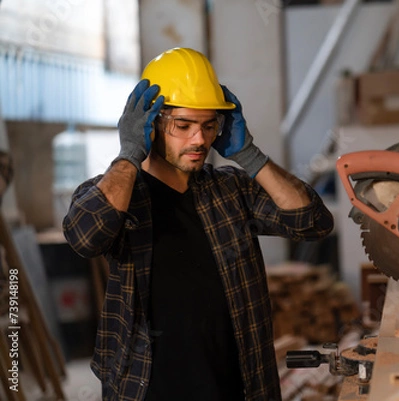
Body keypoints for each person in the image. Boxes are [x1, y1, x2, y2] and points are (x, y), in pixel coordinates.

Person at [63, 47, 334, 401]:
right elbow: (85, 236)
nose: (200, 140)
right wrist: (129, 154)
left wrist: (249, 155)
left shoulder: (230, 189)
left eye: (209, 125)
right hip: (145, 387)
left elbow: (312, 222)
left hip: (238, 385)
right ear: (150, 124)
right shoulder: (120, 193)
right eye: (184, 125)